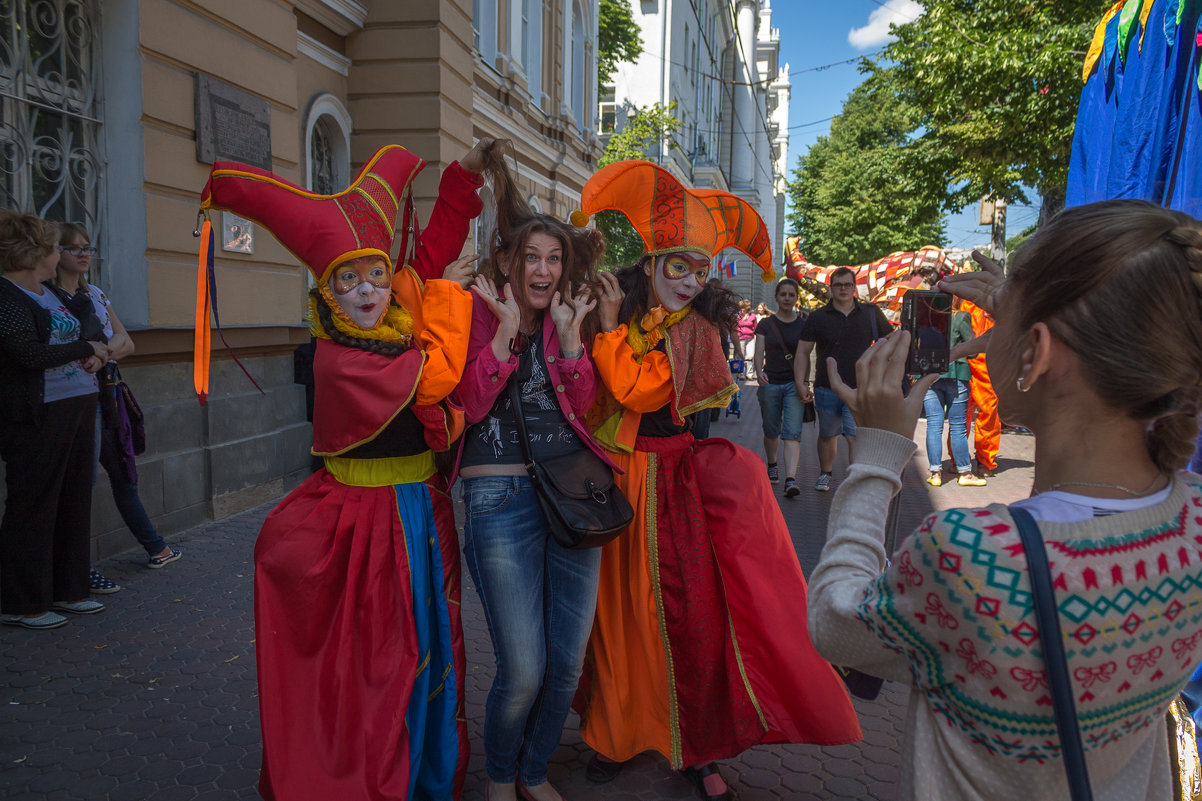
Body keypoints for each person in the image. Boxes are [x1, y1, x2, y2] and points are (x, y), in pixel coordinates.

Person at [808, 199, 1202, 801]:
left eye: (999, 326)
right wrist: (1028, 316)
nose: (984, 337)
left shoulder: (976, 557)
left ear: (1035, 354)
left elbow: (836, 622)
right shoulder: (1191, 516)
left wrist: (880, 455)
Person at [200, 139, 496, 801]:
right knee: (379, 661)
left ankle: (422, 768)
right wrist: (462, 312)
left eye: (373, 273)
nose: (365, 290)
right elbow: (432, 380)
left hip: (420, 511)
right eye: (347, 279)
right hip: (370, 528)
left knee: (429, 649)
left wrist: (462, 176)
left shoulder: (397, 306)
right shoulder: (339, 357)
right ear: (326, 289)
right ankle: (370, 776)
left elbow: (432, 249)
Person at [573, 161, 862, 800]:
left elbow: (633, 385)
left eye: (698, 270)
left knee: (689, 618)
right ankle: (614, 733)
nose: (688, 280)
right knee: (616, 617)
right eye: (676, 265)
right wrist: (616, 324)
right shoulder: (616, 319)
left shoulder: (699, 333)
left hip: (674, 486)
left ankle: (695, 742)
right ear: (650, 264)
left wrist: (618, 329)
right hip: (617, 480)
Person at [452, 148, 608, 801]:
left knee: (566, 662)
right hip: (499, 496)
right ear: (509, 262)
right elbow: (468, 403)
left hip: (572, 499)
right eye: (532, 258)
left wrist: (572, 344)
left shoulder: (567, 319)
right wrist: (503, 338)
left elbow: (586, 409)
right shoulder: (478, 312)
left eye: (554, 259)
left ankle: (535, 769)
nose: (543, 270)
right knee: (522, 667)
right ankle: (498, 773)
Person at [51, 222, 183, 576]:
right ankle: (77, 567)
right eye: (73, 248)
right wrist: (106, 351)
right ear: (54, 253)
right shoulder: (50, 298)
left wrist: (103, 353)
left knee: (124, 475)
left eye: (87, 247)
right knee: (81, 485)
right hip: (75, 400)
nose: (83, 254)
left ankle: (157, 547)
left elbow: (127, 341)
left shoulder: (94, 293)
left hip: (108, 396)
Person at [0, 210, 110, 629]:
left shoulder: (50, 294)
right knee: (34, 505)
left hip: (77, 407)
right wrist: (84, 346)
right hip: (35, 416)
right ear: (33, 253)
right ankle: (23, 602)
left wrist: (93, 351)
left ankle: (70, 590)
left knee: (73, 500)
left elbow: (90, 338)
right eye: (51, 247)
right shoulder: (8, 297)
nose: (56, 254)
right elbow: (27, 354)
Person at [796, 266, 891, 492]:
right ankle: (826, 473)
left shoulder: (871, 313)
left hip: (861, 387)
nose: (843, 289)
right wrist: (801, 382)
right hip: (826, 386)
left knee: (855, 434)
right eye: (838, 285)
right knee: (828, 434)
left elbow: (892, 341)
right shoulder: (818, 317)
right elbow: (802, 352)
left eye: (848, 284)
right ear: (831, 288)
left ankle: (855, 478)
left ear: (854, 287)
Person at [920, 305, 987, 487]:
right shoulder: (961, 316)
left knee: (934, 424)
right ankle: (964, 472)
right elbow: (972, 350)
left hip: (929, 375)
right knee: (957, 425)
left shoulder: (924, 317)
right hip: (956, 374)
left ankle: (935, 473)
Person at [754, 278, 806, 496]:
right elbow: (759, 352)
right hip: (771, 383)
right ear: (776, 297)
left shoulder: (804, 324)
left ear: (796, 298)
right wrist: (759, 373)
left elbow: (806, 355)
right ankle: (773, 464)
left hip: (794, 384)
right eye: (783, 294)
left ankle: (790, 479)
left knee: (792, 433)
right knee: (771, 430)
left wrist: (805, 383)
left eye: (791, 295)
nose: (787, 298)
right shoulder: (765, 324)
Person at [963, 298, 1001, 476]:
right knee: (964, 412)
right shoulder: (968, 300)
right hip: (972, 363)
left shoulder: (994, 300)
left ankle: (977, 461)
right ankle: (967, 460)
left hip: (984, 365)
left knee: (984, 412)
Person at [734, 298, 756, 368]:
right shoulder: (737, 315)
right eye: (741, 308)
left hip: (750, 338)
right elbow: (735, 326)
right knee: (741, 355)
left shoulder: (752, 315)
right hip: (740, 338)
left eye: (744, 308)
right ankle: (741, 372)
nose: (742, 309)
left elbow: (755, 327)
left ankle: (750, 373)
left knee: (751, 355)